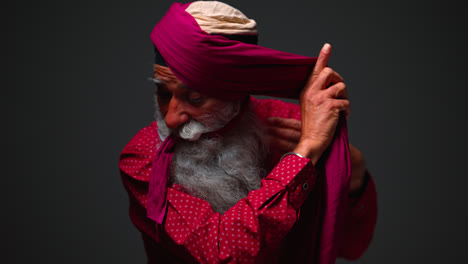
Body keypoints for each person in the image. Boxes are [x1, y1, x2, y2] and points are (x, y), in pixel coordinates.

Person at [119, 1, 377, 263]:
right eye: (163, 93)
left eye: (195, 98)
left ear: (236, 90)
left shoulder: (289, 123)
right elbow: (221, 252)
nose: (171, 118)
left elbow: (350, 246)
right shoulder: (143, 156)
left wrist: (351, 170)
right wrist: (303, 156)